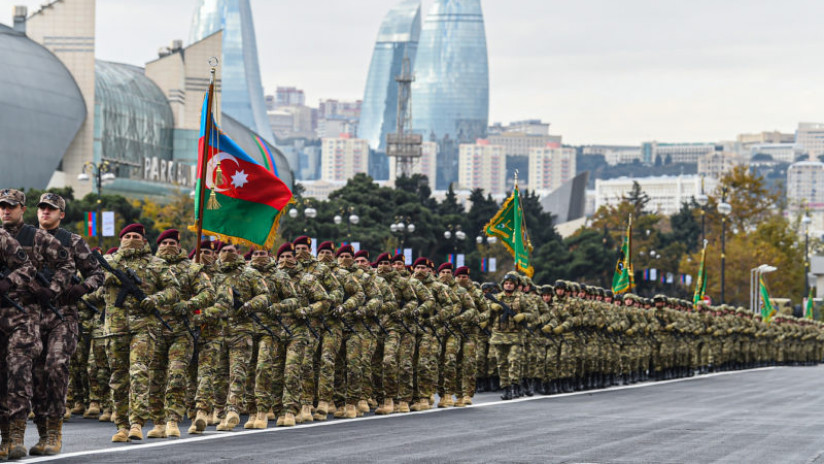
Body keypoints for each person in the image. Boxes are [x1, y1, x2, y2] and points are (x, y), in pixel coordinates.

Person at [30, 192, 103, 455]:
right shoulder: (25, 240)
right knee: (36, 377)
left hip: (63, 316)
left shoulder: (72, 241)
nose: (45, 213)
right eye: (42, 209)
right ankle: (42, 434)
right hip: (31, 316)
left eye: (51, 209)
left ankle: (55, 431)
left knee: (55, 367)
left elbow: (96, 272)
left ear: (61, 214)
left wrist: (82, 288)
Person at [101, 224, 179, 443]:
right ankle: (121, 425)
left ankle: (136, 423)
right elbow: (93, 283)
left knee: (139, 371)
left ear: (145, 241)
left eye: (136, 236)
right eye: (127, 236)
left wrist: (154, 299)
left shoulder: (157, 264)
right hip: (115, 328)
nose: (132, 239)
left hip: (144, 325)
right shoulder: (109, 263)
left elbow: (173, 289)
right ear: (120, 239)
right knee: (118, 377)